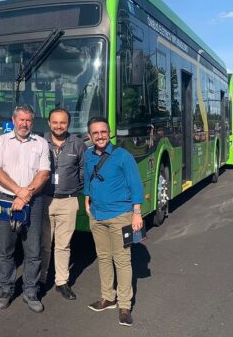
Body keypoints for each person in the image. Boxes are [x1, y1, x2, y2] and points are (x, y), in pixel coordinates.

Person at [84, 116, 144, 327]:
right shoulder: (89, 155)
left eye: (103, 132)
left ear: (109, 133)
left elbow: (136, 184)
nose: (100, 136)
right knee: (103, 257)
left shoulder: (122, 156)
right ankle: (108, 297)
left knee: (122, 259)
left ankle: (125, 305)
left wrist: (136, 213)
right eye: (95, 133)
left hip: (122, 216)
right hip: (98, 216)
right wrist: (86, 199)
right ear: (90, 136)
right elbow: (86, 179)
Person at [0, 104, 50, 313]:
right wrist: (19, 192)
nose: (24, 124)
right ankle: (6, 288)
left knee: (33, 249)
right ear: (14, 120)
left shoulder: (41, 143)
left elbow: (44, 173)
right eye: (21, 120)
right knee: (6, 248)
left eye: (28, 120)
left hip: (33, 202)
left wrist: (26, 195)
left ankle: (30, 291)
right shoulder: (1, 141)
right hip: (6, 200)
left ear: (32, 122)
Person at [40, 108, 85, 300]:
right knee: (43, 244)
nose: (59, 126)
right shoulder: (40, 142)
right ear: (49, 123)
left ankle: (61, 282)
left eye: (63, 123)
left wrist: (73, 188)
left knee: (63, 245)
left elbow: (83, 171)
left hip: (68, 201)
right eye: (55, 122)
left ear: (68, 124)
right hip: (44, 200)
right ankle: (40, 280)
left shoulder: (78, 144)